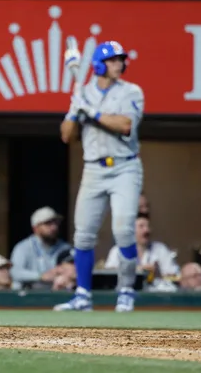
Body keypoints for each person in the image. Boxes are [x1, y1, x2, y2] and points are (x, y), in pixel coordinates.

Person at [54, 40, 145, 312]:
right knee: (83, 235)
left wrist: (91, 112)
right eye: (113, 59)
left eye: (120, 59)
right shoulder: (82, 93)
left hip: (125, 167)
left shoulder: (132, 91)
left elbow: (126, 125)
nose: (119, 63)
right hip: (93, 167)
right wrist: (74, 109)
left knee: (124, 228)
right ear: (98, 64)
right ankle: (82, 295)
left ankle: (126, 290)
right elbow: (67, 136)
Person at [10, 206, 73, 289]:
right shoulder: (23, 247)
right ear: (35, 228)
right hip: (29, 295)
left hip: (58, 292)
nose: (54, 227)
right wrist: (41, 276)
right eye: (48, 223)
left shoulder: (65, 247)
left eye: (55, 223)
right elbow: (14, 273)